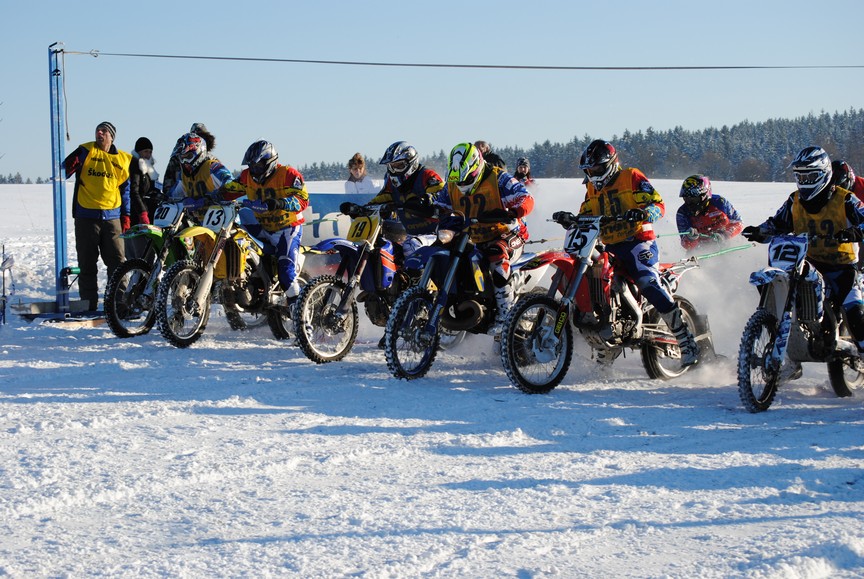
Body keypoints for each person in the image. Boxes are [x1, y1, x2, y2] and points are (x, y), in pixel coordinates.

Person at [742, 146, 864, 380]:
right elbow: (778, 222)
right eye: (800, 176)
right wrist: (760, 231)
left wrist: (854, 232)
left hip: (841, 268)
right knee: (784, 300)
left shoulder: (845, 199)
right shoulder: (794, 200)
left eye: (809, 176)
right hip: (807, 263)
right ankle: (788, 358)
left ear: (823, 174)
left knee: (855, 313)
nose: (804, 181)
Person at [577, 139, 699, 367]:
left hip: (638, 243)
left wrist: (643, 213)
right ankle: (607, 337)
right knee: (591, 280)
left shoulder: (630, 176)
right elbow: (586, 211)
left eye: (595, 168)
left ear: (610, 164)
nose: (592, 173)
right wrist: (572, 219)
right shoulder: (592, 187)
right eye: (588, 170)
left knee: (646, 282)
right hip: (609, 245)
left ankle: (685, 339)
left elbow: (657, 203)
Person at [432, 142, 534, 331]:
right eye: (458, 180)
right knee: (447, 251)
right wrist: (429, 208)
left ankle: (506, 317)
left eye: (466, 179)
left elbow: (525, 196)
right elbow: (439, 203)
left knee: (496, 254)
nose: (462, 184)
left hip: (508, 233)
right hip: (475, 236)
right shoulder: (453, 184)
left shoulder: (498, 178)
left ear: (476, 165)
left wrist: (514, 211)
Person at [221, 140, 309, 303]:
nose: (254, 170)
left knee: (286, 272)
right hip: (264, 227)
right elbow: (229, 190)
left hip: (287, 228)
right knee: (236, 236)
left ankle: (299, 313)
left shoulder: (288, 174)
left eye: (258, 166)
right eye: (251, 166)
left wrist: (281, 202)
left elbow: (303, 199)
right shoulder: (247, 176)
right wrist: (212, 196)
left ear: (270, 162)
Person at [63, 121, 132, 311]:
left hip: (112, 218)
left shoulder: (123, 159)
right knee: (87, 263)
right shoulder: (85, 151)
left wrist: (126, 215)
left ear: (111, 137)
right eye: (97, 131)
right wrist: (70, 165)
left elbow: (126, 190)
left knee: (118, 262)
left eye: (104, 131)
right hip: (86, 216)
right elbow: (65, 169)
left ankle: (118, 303)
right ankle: (88, 304)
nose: (99, 133)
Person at [359, 141, 444, 260]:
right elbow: (383, 197)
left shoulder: (427, 175)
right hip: (411, 234)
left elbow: (442, 196)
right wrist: (362, 208)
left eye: (399, 166)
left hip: (436, 235)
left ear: (412, 163)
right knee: (384, 249)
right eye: (391, 167)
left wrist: (426, 200)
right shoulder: (392, 183)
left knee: (412, 246)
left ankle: (419, 278)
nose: (394, 170)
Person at [172, 132, 233, 220]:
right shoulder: (183, 175)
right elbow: (174, 195)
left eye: (188, 156)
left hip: (224, 218)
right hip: (199, 220)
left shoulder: (212, 167)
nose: (184, 161)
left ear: (199, 152)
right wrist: (161, 197)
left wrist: (216, 195)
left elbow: (230, 181)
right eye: (182, 157)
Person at [676, 174, 743, 251]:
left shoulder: (720, 203)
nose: (689, 204)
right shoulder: (682, 213)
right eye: (686, 199)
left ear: (705, 195)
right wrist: (690, 238)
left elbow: (739, 222)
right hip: (703, 252)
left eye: (694, 199)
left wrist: (724, 235)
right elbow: (685, 244)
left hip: (729, 246)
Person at [125, 136, 161, 258]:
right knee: (141, 254)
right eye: (145, 151)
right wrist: (142, 212)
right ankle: (140, 276)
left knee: (148, 253)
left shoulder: (149, 168)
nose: (148, 154)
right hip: (137, 216)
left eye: (150, 152)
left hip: (150, 214)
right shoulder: (135, 165)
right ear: (139, 151)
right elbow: (134, 192)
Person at [163, 122, 216, 200]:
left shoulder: (210, 160)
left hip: (207, 201)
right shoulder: (177, 157)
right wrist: (169, 197)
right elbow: (168, 182)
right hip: (183, 200)